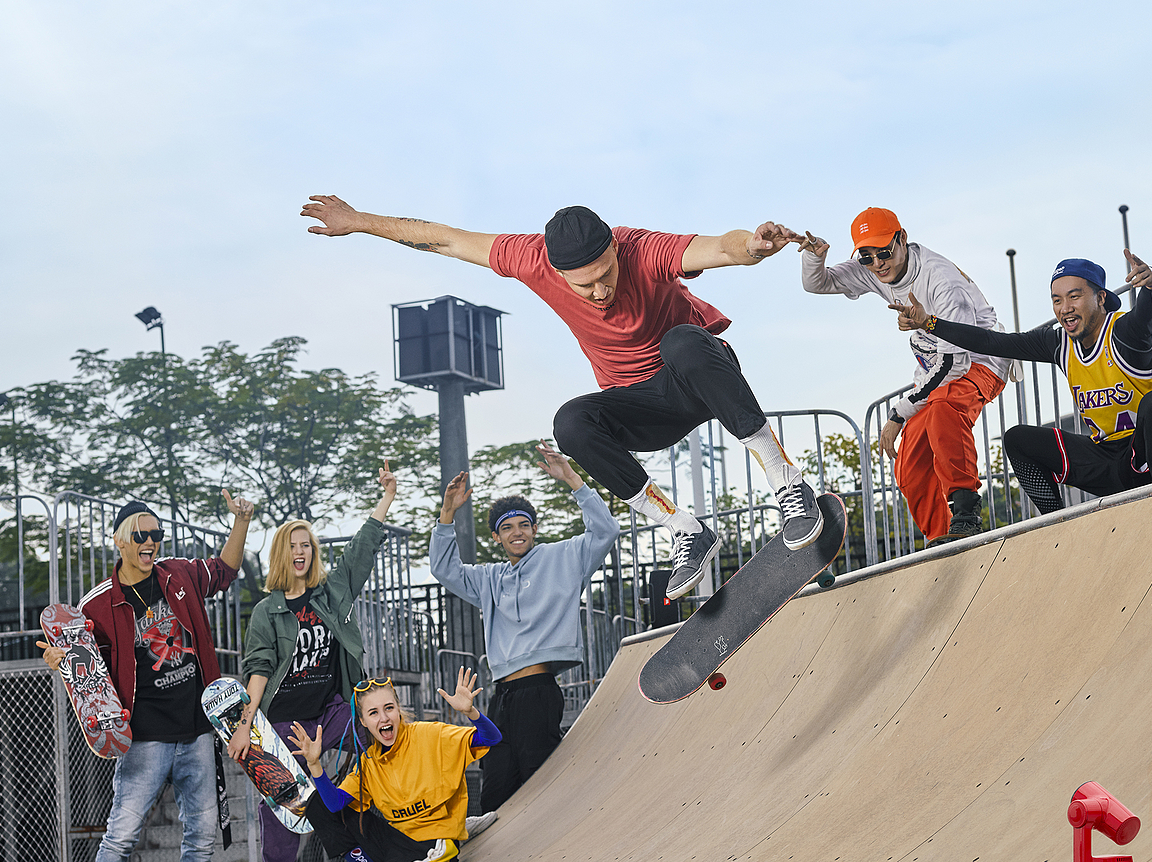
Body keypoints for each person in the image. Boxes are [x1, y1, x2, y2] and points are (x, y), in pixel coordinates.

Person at [300, 195, 822, 600]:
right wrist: (361, 221)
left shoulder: (642, 248)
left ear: (616, 250)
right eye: (584, 285)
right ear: (556, 271)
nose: (599, 292)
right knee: (570, 422)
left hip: (697, 379)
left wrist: (751, 247)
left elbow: (718, 246)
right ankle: (684, 529)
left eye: (605, 276)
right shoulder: (530, 259)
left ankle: (787, 486)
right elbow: (444, 240)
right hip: (640, 410)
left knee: (683, 341)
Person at [39, 490, 254, 862]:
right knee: (121, 834)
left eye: (156, 534)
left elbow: (224, 569)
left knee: (200, 831)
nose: (151, 541)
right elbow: (81, 664)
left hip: (197, 728)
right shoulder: (97, 604)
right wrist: (60, 660)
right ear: (119, 540)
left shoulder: (178, 575)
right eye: (141, 534)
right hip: (144, 740)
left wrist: (239, 521)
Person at [213, 670, 500, 862]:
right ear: (362, 721)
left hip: (429, 850)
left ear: (399, 711)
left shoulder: (430, 735)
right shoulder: (370, 762)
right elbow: (335, 805)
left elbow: (491, 738)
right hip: (393, 843)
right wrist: (315, 768)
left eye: (389, 709)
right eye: (374, 713)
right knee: (315, 803)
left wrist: (471, 712)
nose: (384, 718)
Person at [889, 251, 1152, 514]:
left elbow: (1144, 319)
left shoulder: (1124, 332)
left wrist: (1151, 286)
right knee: (1018, 439)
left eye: (1075, 296)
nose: (1065, 308)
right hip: (1109, 462)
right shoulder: (1058, 343)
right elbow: (992, 342)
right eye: (1057, 300)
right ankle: (1056, 525)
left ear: (1101, 298)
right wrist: (929, 323)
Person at [231, 463, 398, 862]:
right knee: (282, 804)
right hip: (284, 721)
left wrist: (386, 497)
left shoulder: (332, 593)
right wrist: (246, 727)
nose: (301, 553)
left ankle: (406, 825)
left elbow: (362, 550)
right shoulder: (267, 612)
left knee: (379, 730)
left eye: (307, 546)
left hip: (330, 710)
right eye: (293, 547)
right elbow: (260, 669)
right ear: (281, 556)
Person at [796, 208, 1013, 545]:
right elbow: (817, 283)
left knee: (944, 406)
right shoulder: (873, 270)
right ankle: (941, 539)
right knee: (910, 466)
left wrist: (899, 412)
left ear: (903, 239)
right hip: (936, 368)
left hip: (980, 360)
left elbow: (955, 364)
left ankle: (967, 515)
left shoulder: (941, 282)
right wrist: (814, 257)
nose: (879, 264)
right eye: (867, 257)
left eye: (884, 252)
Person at [431, 442, 619, 812]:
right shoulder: (489, 579)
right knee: (496, 786)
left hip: (538, 691)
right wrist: (447, 513)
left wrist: (573, 481)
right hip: (501, 697)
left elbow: (605, 532)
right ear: (497, 537)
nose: (517, 533)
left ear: (533, 529)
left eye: (523, 525)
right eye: (507, 528)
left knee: (540, 783)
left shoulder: (562, 558)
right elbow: (444, 570)